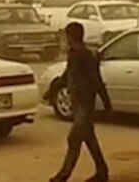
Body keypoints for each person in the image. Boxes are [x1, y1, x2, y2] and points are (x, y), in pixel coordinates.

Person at [50, 23, 111, 182]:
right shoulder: (74, 55)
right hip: (77, 103)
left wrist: (106, 103)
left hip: (85, 103)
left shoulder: (85, 56)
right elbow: (69, 75)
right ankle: (102, 171)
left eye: (65, 36)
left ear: (70, 37)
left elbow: (96, 80)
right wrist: (57, 85)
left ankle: (63, 176)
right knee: (90, 139)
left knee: (74, 139)